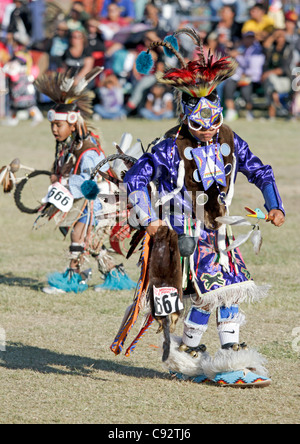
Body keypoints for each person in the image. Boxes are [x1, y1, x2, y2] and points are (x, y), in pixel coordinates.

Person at [110, 29, 285, 387]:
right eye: (200, 125)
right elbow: (136, 181)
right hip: (183, 232)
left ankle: (190, 355)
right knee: (215, 292)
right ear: (187, 117)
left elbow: (260, 171)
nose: (208, 131)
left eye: (214, 123)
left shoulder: (230, 139)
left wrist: (275, 205)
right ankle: (228, 360)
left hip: (220, 230)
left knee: (225, 291)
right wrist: (151, 219)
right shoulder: (167, 147)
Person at [34, 67, 136, 294]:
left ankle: (73, 279)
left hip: (98, 201)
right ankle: (115, 277)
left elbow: (89, 180)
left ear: (72, 123)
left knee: (79, 236)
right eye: (52, 124)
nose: (54, 130)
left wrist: (65, 182)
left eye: (57, 125)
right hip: (90, 201)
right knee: (92, 243)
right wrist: (59, 176)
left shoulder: (87, 149)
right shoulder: (74, 143)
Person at [223, 31, 266, 121]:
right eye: (247, 38)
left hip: (253, 78)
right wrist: (234, 56)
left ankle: (248, 111)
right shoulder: (242, 49)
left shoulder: (256, 51)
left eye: (251, 38)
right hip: (240, 77)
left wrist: (238, 56)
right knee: (229, 84)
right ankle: (231, 111)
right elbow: (239, 66)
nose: (248, 40)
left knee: (245, 87)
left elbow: (254, 69)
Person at [262, 28, 294, 119]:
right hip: (273, 81)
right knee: (270, 86)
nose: (279, 38)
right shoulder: (273, 49)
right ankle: (276, 105)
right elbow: (265, 46)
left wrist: (268, 73)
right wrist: (273, 35)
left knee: (270, 81)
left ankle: (273, 113)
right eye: (278, 37)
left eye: (281, 36)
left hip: (285, 80)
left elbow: (284, 69)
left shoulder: (288, 49)